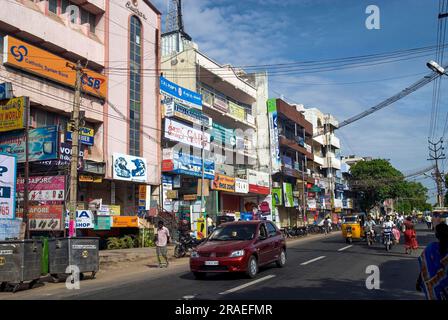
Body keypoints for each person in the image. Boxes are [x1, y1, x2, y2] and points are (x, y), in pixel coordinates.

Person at [416, 223, 448, 300]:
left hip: (435, 286)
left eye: (435, 232)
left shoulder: (430, 248)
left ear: (437, 235)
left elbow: (425, 267)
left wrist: (419, 281)